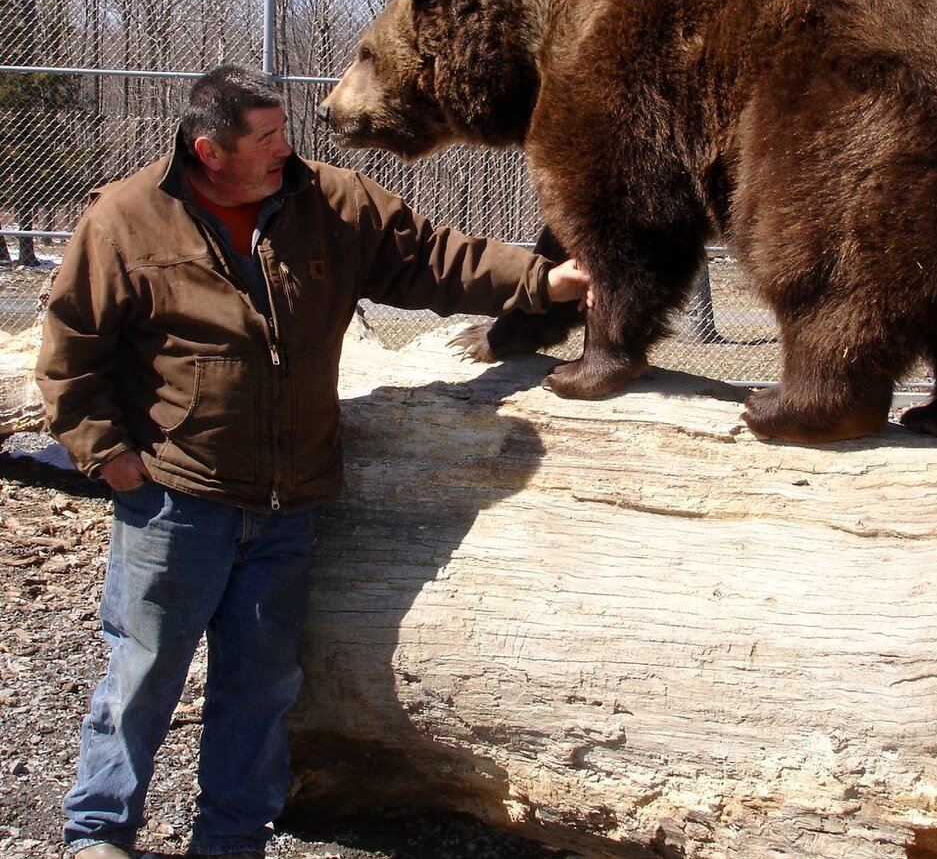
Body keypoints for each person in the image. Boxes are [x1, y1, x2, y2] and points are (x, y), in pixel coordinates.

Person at [35, 63, 590, 859]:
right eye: (264, 138)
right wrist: (109, 456)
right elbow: (71, 349)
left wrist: (545, 281)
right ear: (208, 150)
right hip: (176, 497)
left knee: (259, 689)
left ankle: (230, 839)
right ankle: (100, 831)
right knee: (143, 675)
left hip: (288, 503)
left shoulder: (329, 201)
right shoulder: (127, 219)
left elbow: (434, 258)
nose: (283, 149)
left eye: (283, 131)